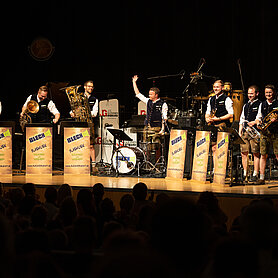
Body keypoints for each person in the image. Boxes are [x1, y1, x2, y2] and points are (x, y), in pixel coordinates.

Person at [70, 80, 98, 174]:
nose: (91, 88)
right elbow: (72, 110)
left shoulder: (94, 99)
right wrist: (73, 113)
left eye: (92, 87)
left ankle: (93, 166)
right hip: (80, 124)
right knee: (79, 145)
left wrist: (85, 112)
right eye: (89, 86)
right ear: (85, 87)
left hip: (89, 124)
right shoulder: (79, 98)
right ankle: (79, 165)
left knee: (91, 145)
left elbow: (94, 113)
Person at [255, 84, 278, 185]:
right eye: (266, 93)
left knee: (277, 154)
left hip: (276, 132)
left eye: (270, 92)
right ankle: (261, 177)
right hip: (264, 132)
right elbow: (258, 117)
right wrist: (258, 122)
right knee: (263, 154)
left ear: (274, 93)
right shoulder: (262, 104)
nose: (268, 94)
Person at [238, 85, 261, 182]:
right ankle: (245, 173)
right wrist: (240, 131)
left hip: (255, 132)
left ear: (257, 94)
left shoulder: (260, 104)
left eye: (252, 93)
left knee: (256, 153)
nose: (250, 95)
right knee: (244, 152)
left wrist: (255, 122)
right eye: (248, 93)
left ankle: (255, 173)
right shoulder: (245, 105)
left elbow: (260, 118)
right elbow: (241, 119)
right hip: (245, 131)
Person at [205, 79, 234, 154]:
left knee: (221, 148)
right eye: (214, 87)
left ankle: (222, 165)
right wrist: (207, 118)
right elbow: (208, 111)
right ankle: (215, 166)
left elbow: (231, 114)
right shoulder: (211, 99)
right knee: (214, 148)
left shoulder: (226, 99)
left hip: (222, 125)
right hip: (213, 126)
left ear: (222, 87)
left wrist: (218, 119)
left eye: (217, 87)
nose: (215, 89)